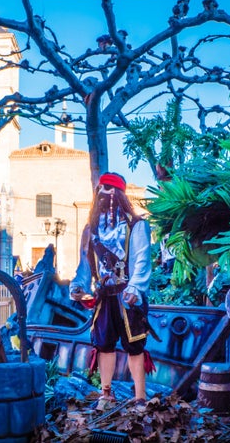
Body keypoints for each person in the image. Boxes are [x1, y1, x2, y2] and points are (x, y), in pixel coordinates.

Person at [69, 172, 154, 409]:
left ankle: (140, 398)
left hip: (129, 297)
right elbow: (85, 266)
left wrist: (135, 288)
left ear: (119, 193)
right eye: (101, 189)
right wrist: (78, 287)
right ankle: (106, 394)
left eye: (109, 188)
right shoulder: (90, 230)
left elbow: (141, 261)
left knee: (134, 345)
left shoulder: (136, 225)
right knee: (104, 344)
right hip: (104, 297)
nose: (104, 194)